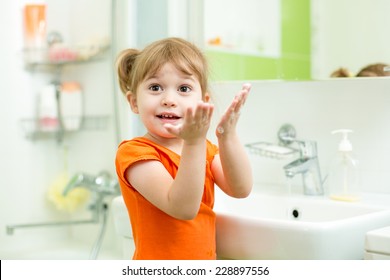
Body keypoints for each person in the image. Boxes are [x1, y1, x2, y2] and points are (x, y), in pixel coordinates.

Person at [115, 37, 253, 260]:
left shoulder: (203, 149)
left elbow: (240, 189)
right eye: (155, 87)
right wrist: (194, 142)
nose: (169, 99)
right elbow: (182, 208)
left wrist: (227, 135)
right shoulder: (135, 154)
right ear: (134, 102)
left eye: (184, 88)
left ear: (203, 100)